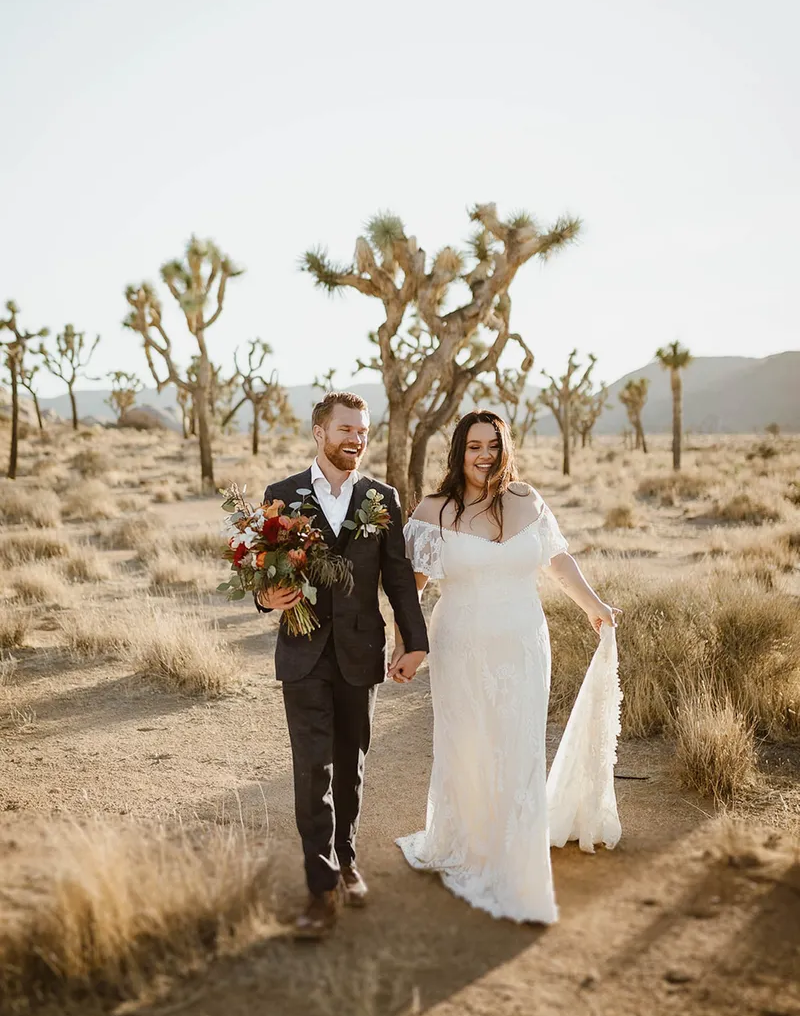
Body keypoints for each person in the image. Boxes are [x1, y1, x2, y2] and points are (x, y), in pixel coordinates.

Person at [394, 410, 619, 923]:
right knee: (467, 744)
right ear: (459, 451)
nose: (484, 456)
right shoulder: (434, 510)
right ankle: (468, 843)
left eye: (493, 446)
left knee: (518, 743)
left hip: (523, 643)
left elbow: (557, 561)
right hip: (462, 648)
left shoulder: (525, 500)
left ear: (504, 449)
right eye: (474, 446)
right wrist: (406, 644)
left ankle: (515, 855)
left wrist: (594, 605)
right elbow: (413, 588)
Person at [255, 391, 429, 938]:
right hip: (302, 654)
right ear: (320, 433)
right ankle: (321, 887)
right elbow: (262, 572)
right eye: (346, 429)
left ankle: (347, 856)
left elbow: (398, 576)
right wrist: (267, 598)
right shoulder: (282, 497)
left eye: (363, 431)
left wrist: (414, 641)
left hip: (360, 651)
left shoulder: (382, 497)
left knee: (350, 766)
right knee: (312, 771)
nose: (357, 438)